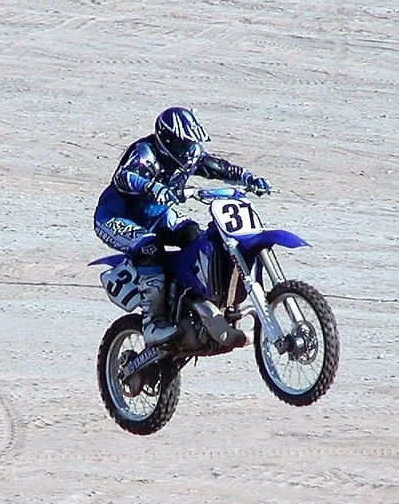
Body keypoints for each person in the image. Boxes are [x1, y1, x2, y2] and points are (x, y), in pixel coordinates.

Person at [94, 106, 272, 345]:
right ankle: (153, 323)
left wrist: (247, 177)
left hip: (156, 215)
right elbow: (124, 177)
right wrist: (152, 187)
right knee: (150, 248)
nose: (189, 151)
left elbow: (216, 167)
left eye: (190, 144)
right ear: (166, 140)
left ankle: (192, 302)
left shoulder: (189, 154)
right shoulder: (145, 152)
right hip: (117, 217)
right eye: (182, 144)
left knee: (195, 236)